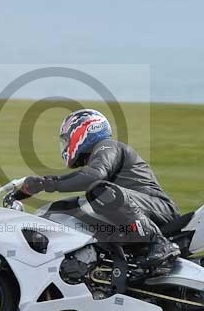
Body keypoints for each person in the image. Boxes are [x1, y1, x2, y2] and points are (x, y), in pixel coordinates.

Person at [16, 108, 181, 268]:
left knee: (100, 191)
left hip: (159, 209)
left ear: (82, 131)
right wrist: (38, 188)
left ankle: (159, 242)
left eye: (67, 139)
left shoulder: (107, 146)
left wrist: (50, 184)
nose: (65, 145)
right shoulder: (96, 159)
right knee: (69, 206)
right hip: (136, 212)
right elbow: (86, 177)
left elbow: (94, 176)